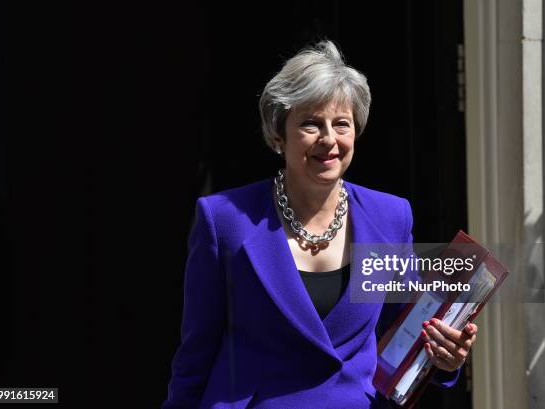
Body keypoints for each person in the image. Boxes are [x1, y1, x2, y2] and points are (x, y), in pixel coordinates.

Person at [162, 40, 477, 409]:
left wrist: (444, 356)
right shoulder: (225, 219)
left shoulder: (390, 217)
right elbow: (196, 353)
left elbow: (403, 339)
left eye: (341, 124)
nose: (329, 139)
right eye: (311, 124)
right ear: (279, 135)